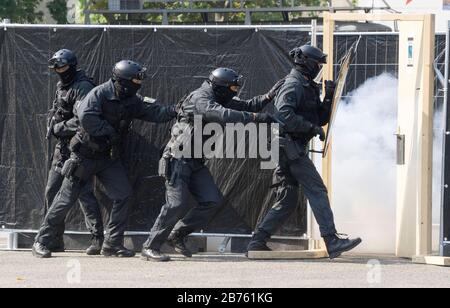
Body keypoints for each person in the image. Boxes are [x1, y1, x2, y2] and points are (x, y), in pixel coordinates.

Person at [32, 60, 178, 258]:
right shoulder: (99, 94)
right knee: (65, 200)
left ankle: (112, 245)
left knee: (124, 195)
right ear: (123, 81)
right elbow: (86, 117)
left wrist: (175, 110)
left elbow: (153, 112)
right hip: (84, 156)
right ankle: (41, 241)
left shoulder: (132, 99)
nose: (138, 83)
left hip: (107, 158)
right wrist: (109, 132)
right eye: (135, 79)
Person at [142, 67, 285, 261]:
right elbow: (221, 115)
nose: (235, 91)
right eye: (233, 87)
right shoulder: (200, 99)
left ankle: (178, 234)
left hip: (196, 162)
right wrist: (254, 118)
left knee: (211, 201)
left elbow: (247, 105)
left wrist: (268, 97)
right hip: (178, 158)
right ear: (221, 87)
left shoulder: (219, 98)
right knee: (176, 204)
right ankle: (150, 246)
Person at [246, 45, 362, 259]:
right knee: (317, 190)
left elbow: (319, 119)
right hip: (287, 146)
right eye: (317, 64)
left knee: (288, 199)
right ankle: (332, 240)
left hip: (292, 146)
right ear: (307, 62)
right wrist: (311, 128)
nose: (319, 68)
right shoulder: (293, 84)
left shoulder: (307, 85)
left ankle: (257, 241)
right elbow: (283, 115)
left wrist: (329, 97)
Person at [45, 49, 104, 255]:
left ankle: (97, 239)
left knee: (84, 194)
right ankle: (54, 239)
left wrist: (58, 128)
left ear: (71, 65)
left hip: (78, 148)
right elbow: (57, 109)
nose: (58, 71)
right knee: (52, 192)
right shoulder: (63, 85)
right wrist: (52, 121)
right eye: (56, 68)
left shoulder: (83, 86)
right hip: (62, 149)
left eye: (62, 66)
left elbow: (83, 119)